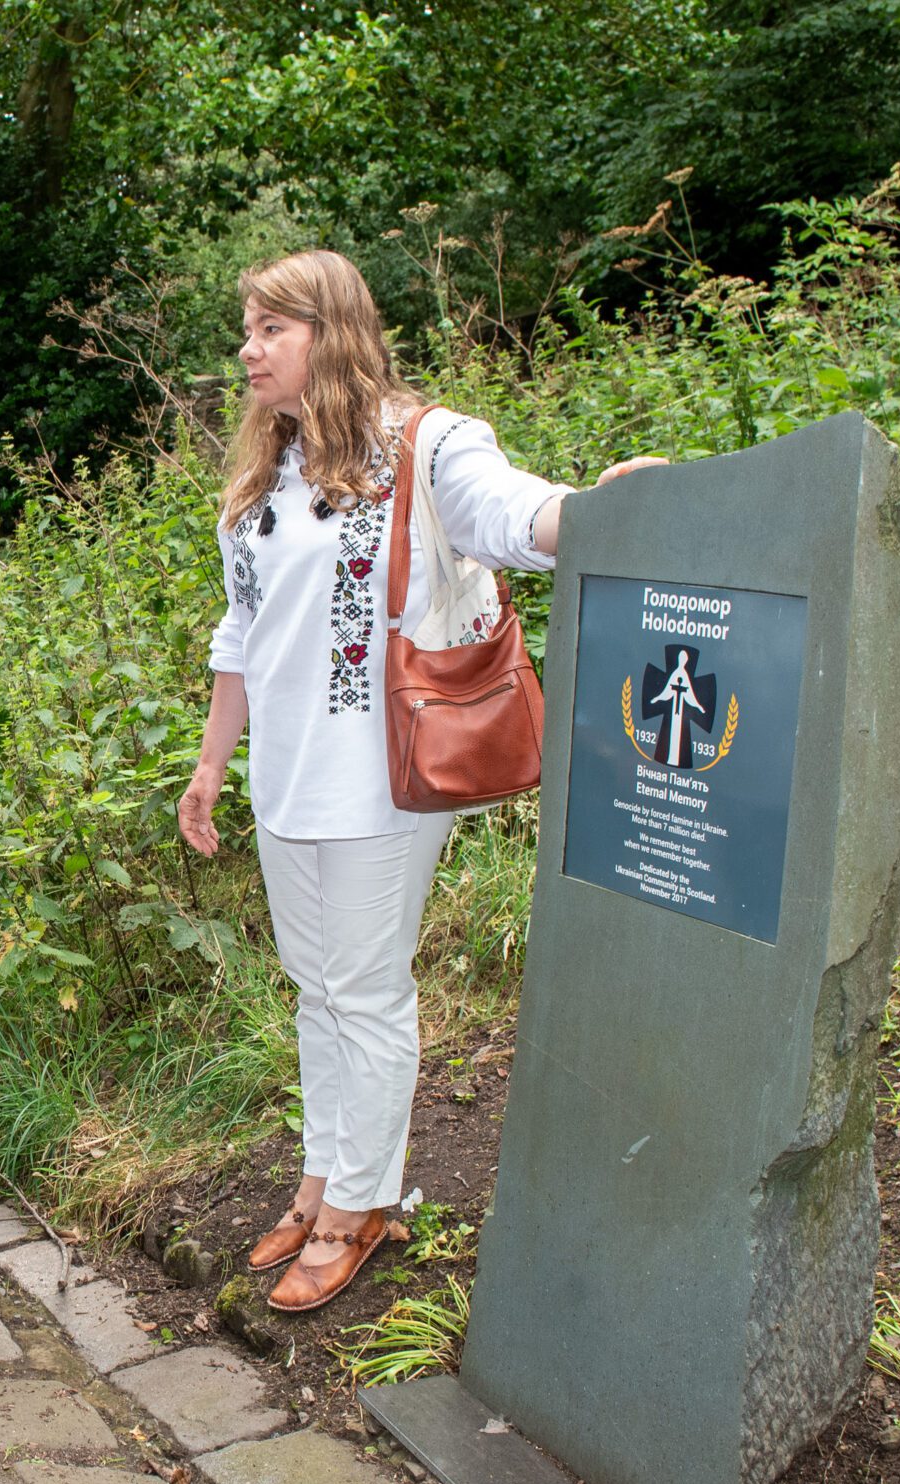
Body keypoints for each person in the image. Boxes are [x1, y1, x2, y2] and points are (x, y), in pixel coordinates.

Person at [177, 250, 666, 1313]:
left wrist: (596, 509)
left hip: (383, 776)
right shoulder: (265, 474)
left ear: (331, 332)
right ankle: (323, 1173)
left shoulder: (427, 444)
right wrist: (212, 763)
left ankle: (364, 1200)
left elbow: (510, 516)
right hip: (286, 777)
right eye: (247, 330)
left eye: (270, 329)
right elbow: (241, 630)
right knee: (316, 986)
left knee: (365, 987)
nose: (248, 350)